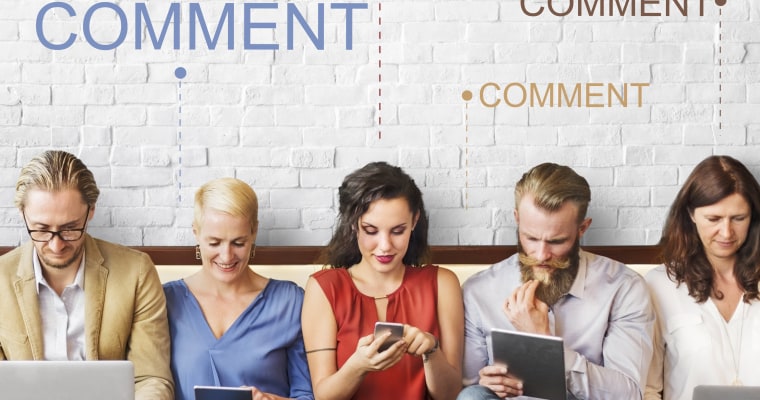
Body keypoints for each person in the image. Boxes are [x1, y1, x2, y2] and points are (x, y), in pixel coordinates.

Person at [458, 162, 655, 400]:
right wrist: (488, 382)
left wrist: (546, 346)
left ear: (582, 228)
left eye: (557, 241)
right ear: (517, 219)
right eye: (530, 238)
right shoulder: (479, 290)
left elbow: (628, 394)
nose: (541, 255)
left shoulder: (623, 287)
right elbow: (468, 385)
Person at [0, 150, 173, 399]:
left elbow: (151, 379)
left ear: (91, 211)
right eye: (41, 229)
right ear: (22, 213)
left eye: (70, 229)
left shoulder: (136, 272)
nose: (56, 245)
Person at [301, 161, 464, 400]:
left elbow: (450, 395)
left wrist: (432, 350)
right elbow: (324, 395)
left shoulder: (442, 283)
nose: (385, 246)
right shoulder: (325, 288)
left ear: (414, 221)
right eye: (371, 230)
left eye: (398, 231)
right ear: (353, 224)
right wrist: (358, 366)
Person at [164, 177, 313, 400]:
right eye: (214, 243)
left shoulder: (289, 302)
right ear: (196, 232)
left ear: (254, 232)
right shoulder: (165, 300)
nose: (226, 256)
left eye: (238, 243)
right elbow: (148, 382)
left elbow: (306, 395)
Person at [645, 155, 760, 400]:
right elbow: (648, 389)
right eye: (714, 219)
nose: (727, 232)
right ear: (691, 214)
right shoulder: (659, 286)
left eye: (739, 218)